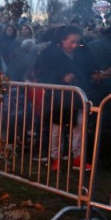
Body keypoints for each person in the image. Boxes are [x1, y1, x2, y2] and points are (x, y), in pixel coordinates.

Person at [34, 25, 96, 169]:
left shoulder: (82, 51)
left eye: (77, 42)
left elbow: (88, 68)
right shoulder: (49, 53)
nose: (74, 45)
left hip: (78, 95)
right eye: (71, 42)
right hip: (57, 96)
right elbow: (41, 72)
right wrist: (60, 78)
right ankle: (55, 157)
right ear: (62, 40)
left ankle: (78, 157)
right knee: (57, 128)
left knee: (80, 126)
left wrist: (92, 75)